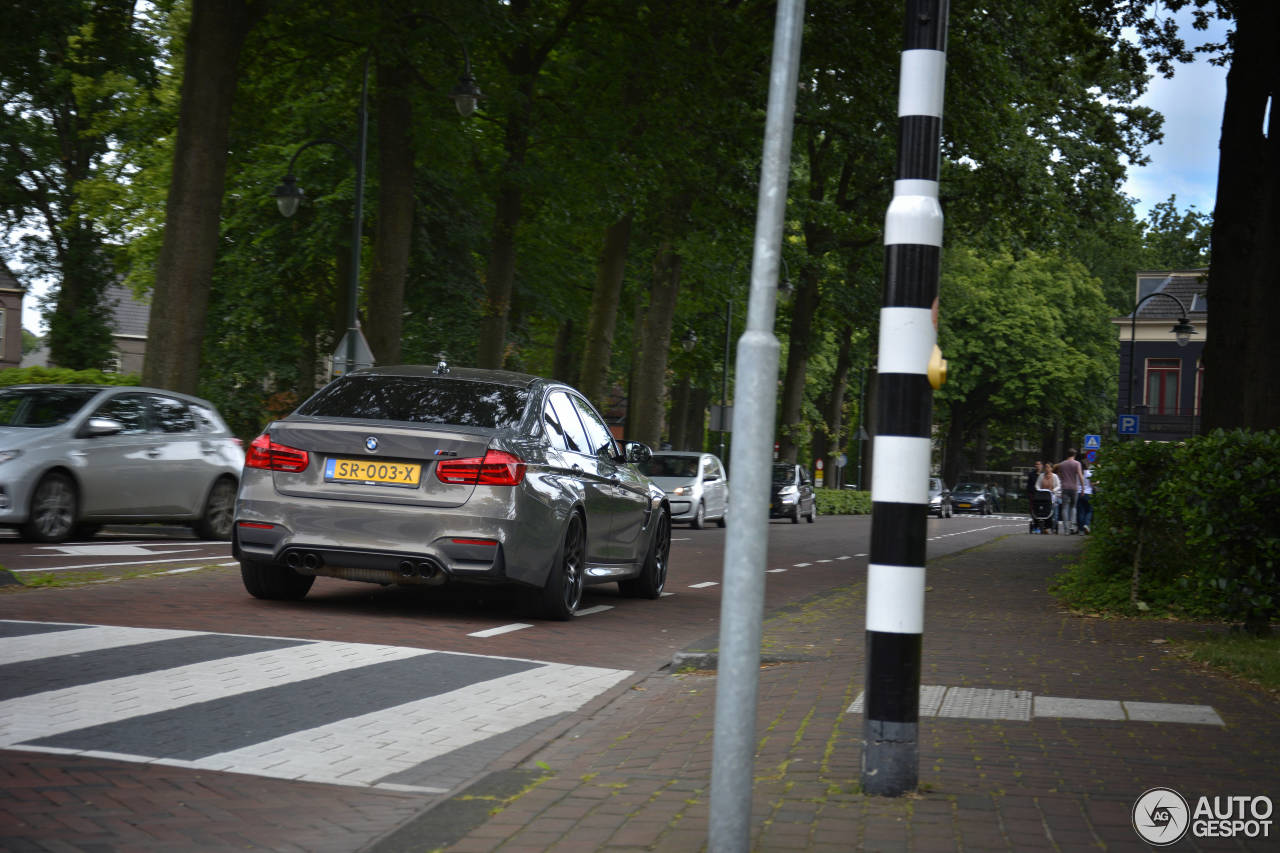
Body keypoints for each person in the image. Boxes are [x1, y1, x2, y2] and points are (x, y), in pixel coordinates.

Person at [1056, 449, 1085, 534]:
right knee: (1073, 507)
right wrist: (1083, 487)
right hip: (1074, 488)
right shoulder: (1077, 463)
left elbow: (1059, 475)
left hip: (1064, 488)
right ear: (1074, 455)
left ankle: (1066, 530)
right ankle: (1072, 525)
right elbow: (1080, 475)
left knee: (1064, 508)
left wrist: (1063, 480)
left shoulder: (1062, 464)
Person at [1037, 462, 1061, 530]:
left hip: (1052, 496)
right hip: (1043, 496)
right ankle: (1044, 524)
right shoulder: (1041, 476)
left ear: (1051, 468)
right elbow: (1037, 484)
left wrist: (1054, 490)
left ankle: (1053, 525)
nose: (1046, 469)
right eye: (1046, 467)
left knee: (1053, 509)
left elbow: (1058, 485)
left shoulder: (1054, 476)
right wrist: (1039, 489)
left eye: (1048, 467)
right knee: (1043, 509)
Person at [1078, 460, 1094, 534]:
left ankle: (1081, 530)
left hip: (1079, 493)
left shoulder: (1078, 473)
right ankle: (1086, 524)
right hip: (1088, 493)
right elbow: (1091, 484)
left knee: (1081, 511)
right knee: (1089, 510)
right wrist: (1097, 482)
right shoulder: (1089, 473)